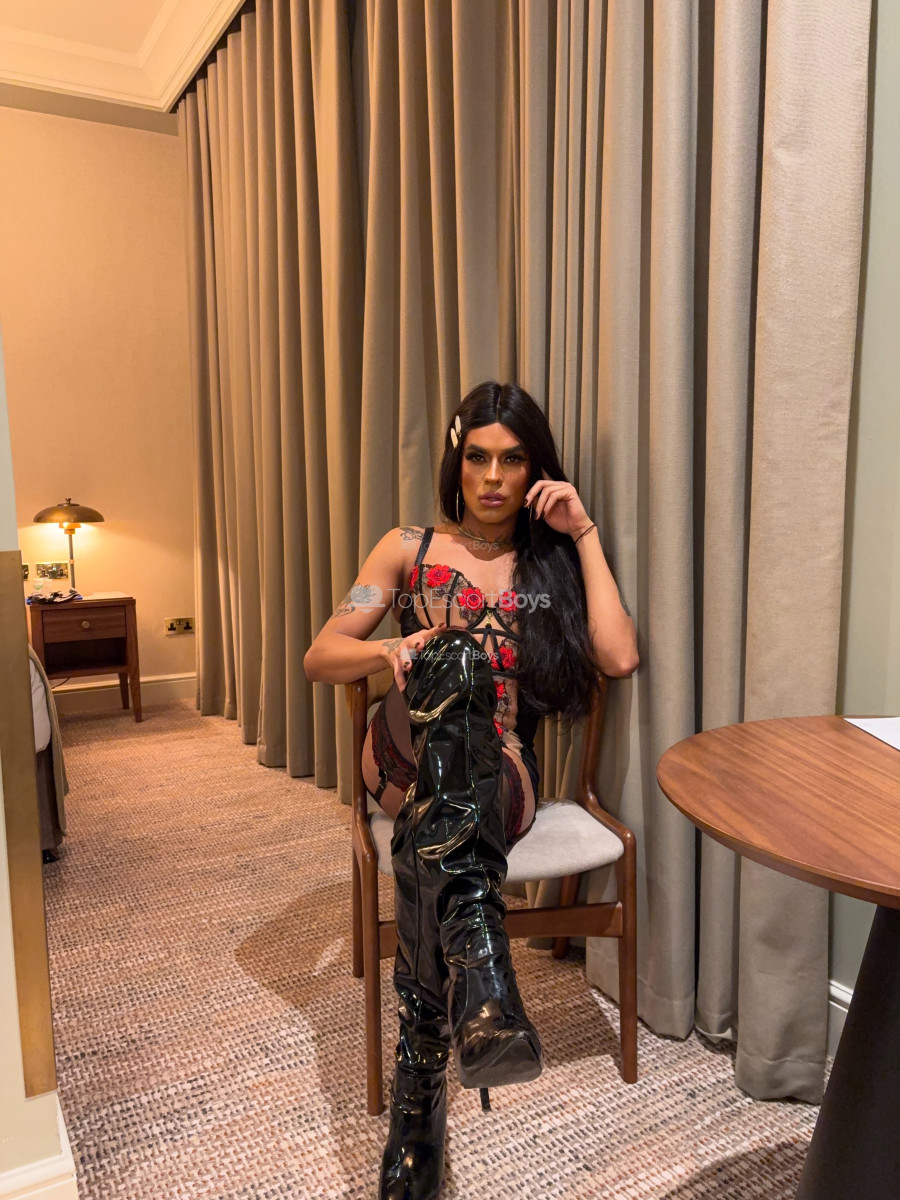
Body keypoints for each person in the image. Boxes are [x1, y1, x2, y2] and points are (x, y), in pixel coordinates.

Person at [304, 381, 638, 1199]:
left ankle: (420, 1086)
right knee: (451, 660)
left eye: (513, 459)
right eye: (478, 457)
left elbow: (620, 656)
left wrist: (583, 532)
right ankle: (482, 976)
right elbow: (322, 652)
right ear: (457, 463)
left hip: (500, 777)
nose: (493, 477)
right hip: (400, 753)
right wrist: (390, 650)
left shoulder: (552, 565)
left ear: (535, 471)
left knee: (440, 825)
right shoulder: (402, 550)